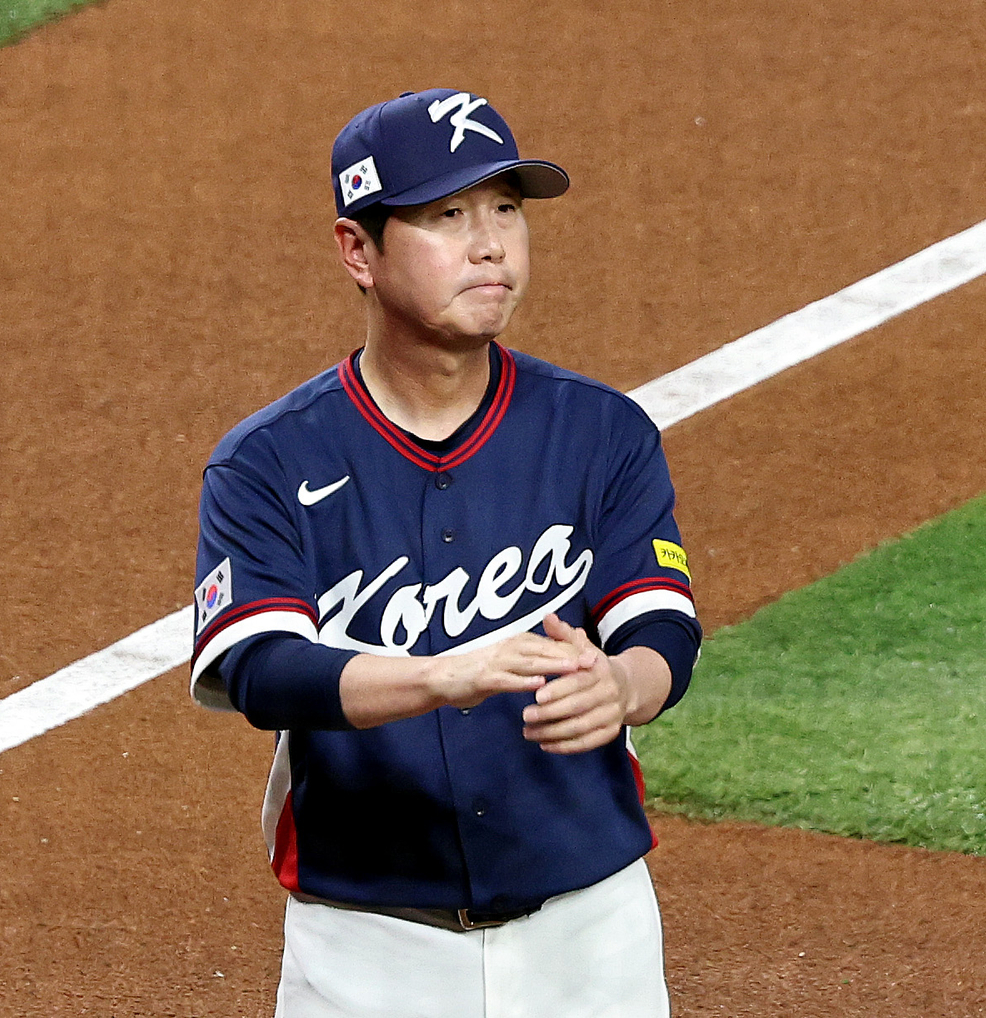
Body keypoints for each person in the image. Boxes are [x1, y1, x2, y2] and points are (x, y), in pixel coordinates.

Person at [189, 88, 702, 1018]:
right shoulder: (268, 462)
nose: (491, 243)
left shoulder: (603, 433)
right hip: (365, 954)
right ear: (359, 251)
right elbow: (259, 671)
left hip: (593, 944)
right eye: (445, 215)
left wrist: (621, 687)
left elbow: (662, 622)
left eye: (506, 208)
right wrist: (438, 677)